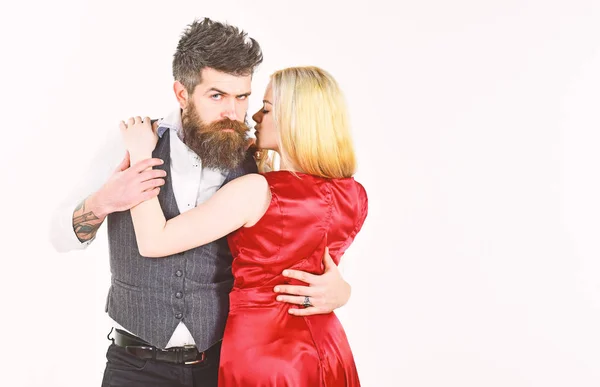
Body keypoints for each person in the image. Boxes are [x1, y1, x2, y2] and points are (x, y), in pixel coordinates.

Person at [49, 19, 352, 387]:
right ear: (182, 93)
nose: (234, 112)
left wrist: (340, 290)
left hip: (223, 365)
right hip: (135, 366)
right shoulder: (130, 144)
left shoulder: (257, 162)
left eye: (242, 97)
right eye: (216, 96)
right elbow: (58, 236)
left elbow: (294, 243)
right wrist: (102, 202)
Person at [120, 66, 368, 386]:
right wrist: (343, 292)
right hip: (329, 346)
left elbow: (154, 240)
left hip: (267, 355)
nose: (254, 118)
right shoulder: (354, 195)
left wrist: (141, 155)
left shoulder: (258, 191)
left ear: (295, 119)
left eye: (266, 109)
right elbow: (320, 268)